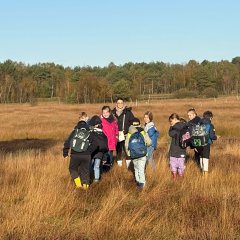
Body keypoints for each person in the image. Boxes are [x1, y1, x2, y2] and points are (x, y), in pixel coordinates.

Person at [63, 115, 101, 190]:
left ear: (77, 125)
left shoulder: (75, 131)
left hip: (75, 155)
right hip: (86, 155)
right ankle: (85, 188)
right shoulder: (89, 132)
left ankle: (78, 185)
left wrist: (65, 152)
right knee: (85, 171)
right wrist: (89, 151)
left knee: (72, 169)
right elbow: (96, 144)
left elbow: (67, 142)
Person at [125, 118, 152, 189]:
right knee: (141, 169)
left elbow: (126, 145)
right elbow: (149, 143)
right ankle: (142, 184)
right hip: (142, 154)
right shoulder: (143, 132)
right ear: (139, 124)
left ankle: (138, 183)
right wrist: (144, 145)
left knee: (136, 168)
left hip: (133, 154)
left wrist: (128, 153)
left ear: (132, 125)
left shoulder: (130, 133)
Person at [112, 97, 135, 168]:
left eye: (121, 103)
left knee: (127, 151)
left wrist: (129, 133)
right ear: (116, 104)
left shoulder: (128, 112)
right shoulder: (112, 113)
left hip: (126, 135)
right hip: (116, 136)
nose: (120, 104)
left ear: (123, 104)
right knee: (118, 151)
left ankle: (128, 167)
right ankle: (120, 167)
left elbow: (133, 122)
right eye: (118, 103)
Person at [195, 111, 218, 176]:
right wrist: (216, 137)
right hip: (206, 143)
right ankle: (205, 174)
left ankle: (202, 171)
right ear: (210, 117)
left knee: (201, 156)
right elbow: (212, 136)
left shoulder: (199, 124)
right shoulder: (210, 125)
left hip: (199, 143)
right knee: (206, 157)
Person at [89, 116, 108, 182]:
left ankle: (89, 178)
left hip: (92, 152)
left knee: (90, 165)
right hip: (100, 153)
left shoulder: (91, 132)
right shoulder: (103, 133)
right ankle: (96, 180)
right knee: (97, 166)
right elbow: (106, 147)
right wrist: (105, 157)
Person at [168, 113, 187, 181]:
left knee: (173, 168)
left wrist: (171, 127)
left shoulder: (174, 128)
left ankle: (175, 181)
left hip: (174, 151)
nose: (171, 123)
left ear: (175, 119)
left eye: (171, 121)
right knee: (181, 168)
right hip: (182, 150)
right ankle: (181, 181)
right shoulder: (185, 126)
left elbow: (171, 134)